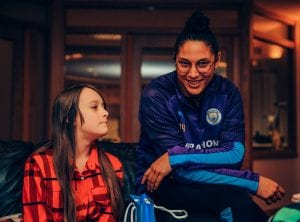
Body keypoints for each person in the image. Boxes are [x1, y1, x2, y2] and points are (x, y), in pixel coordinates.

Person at [135, 10, 285, 221]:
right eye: (184, 63)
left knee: (238, 204)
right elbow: (179, 173)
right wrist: (253, 182)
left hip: (212, 187)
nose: (193, 73)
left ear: (217, 59)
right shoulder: (157, 94)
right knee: (237, 201)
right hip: (163, 190)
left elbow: (234, 156)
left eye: (203, 63)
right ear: (174, 59)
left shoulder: (227, 91)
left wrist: (174, 157)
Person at [22, 84, 124, 222]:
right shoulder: (38, 164)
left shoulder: (114, 165)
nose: (105, 112)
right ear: (69, 117)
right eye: (94, 107)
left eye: (103, 106)